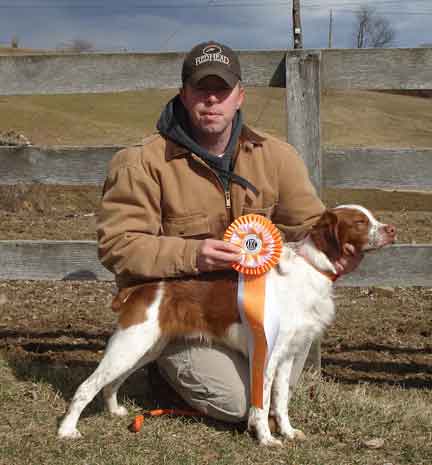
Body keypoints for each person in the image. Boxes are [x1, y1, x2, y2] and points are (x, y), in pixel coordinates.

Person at [97, 41, 360, 423]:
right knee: (241, 405)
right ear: (184, 95)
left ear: (240, 96)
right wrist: (193, 255)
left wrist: (346, 250)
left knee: (270, 390)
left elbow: (313, 226)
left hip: (257, 311)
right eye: (201, 89)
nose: (211, 100)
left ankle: (226, 368)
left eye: (222, 90)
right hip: (184, 312)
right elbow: (117, 246)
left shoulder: (277, 157)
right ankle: (162, 364)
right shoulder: (140, 163)